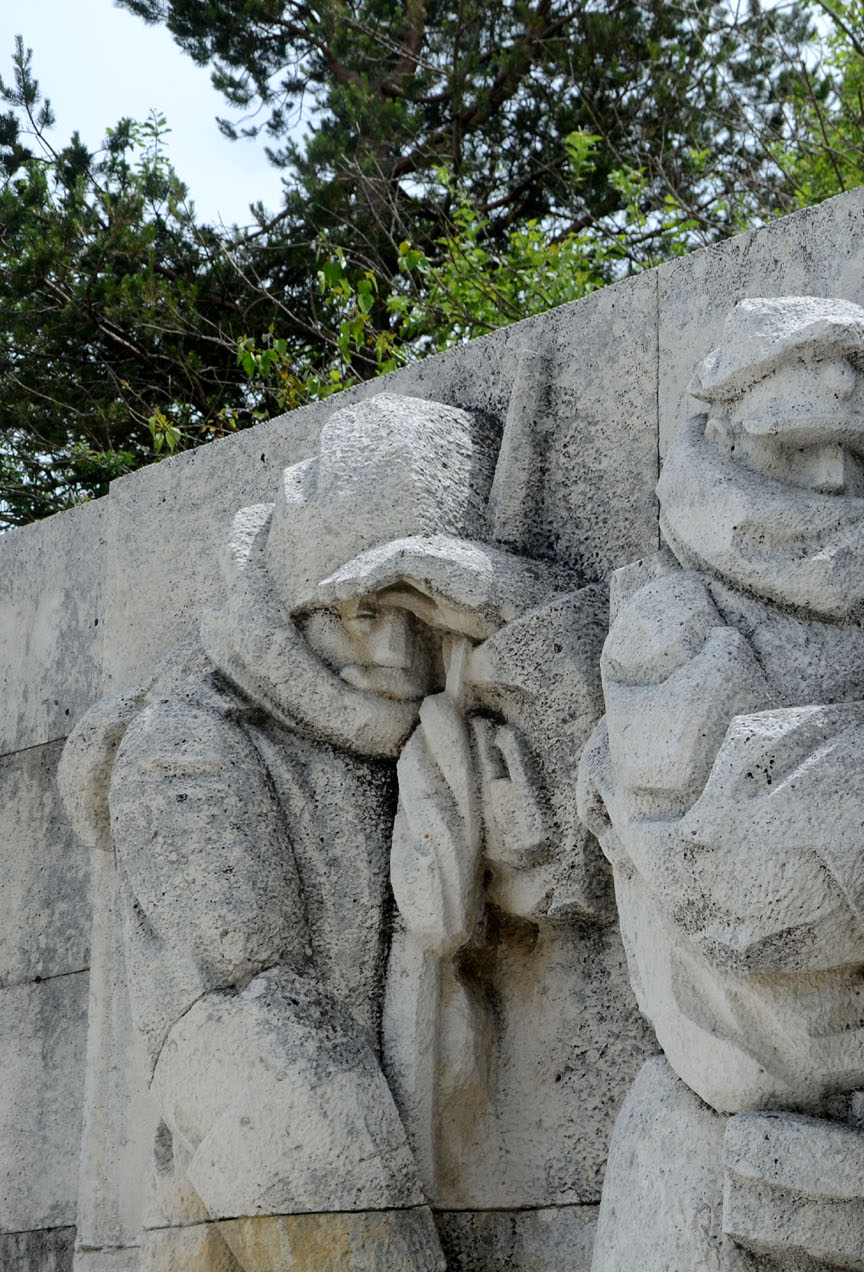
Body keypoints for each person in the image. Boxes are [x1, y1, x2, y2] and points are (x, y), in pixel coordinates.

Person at [59, 393, 567, 1272]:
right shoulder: (191, 745)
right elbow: (258, 1043)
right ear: (296, 606)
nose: (401, 659)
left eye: (419, 610)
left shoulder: (433, 728)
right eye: (366, 614)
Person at [578, 296, 864, 1271]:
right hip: (736, 1175)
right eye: (797, 453)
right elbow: (750, 871)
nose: (832, 488)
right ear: (721, 440)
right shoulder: (669, 625)